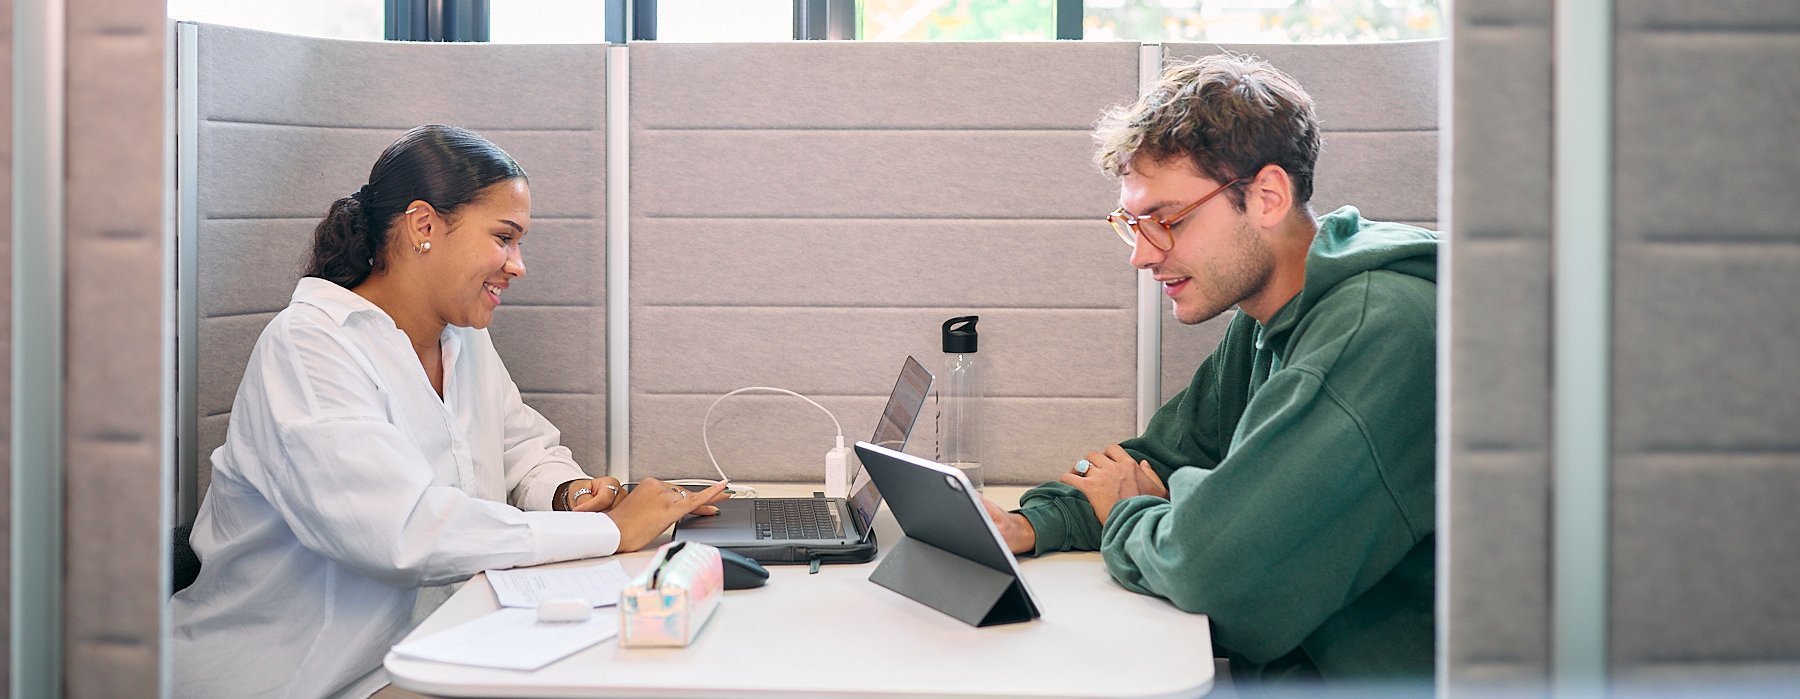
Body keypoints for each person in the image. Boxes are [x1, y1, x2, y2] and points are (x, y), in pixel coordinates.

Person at [171, 125, 726, 698]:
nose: (518, 265)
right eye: (505, 238)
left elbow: (521, 450)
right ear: (423, 226)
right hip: (311, 674)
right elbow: (402, 533)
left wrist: (571, 494)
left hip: (439, 645)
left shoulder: (461, 338)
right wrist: (611, 532)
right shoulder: (311, 348)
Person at [983, 54, 1438, 683]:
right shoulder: (1266, 315)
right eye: (1133, 225)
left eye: (1166, 221)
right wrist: (1034, 522)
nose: (1142, 256)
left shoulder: (1377, 332)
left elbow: (1214, 574)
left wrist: (1128, 514)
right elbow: (1160, 460)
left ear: (1268, 197)